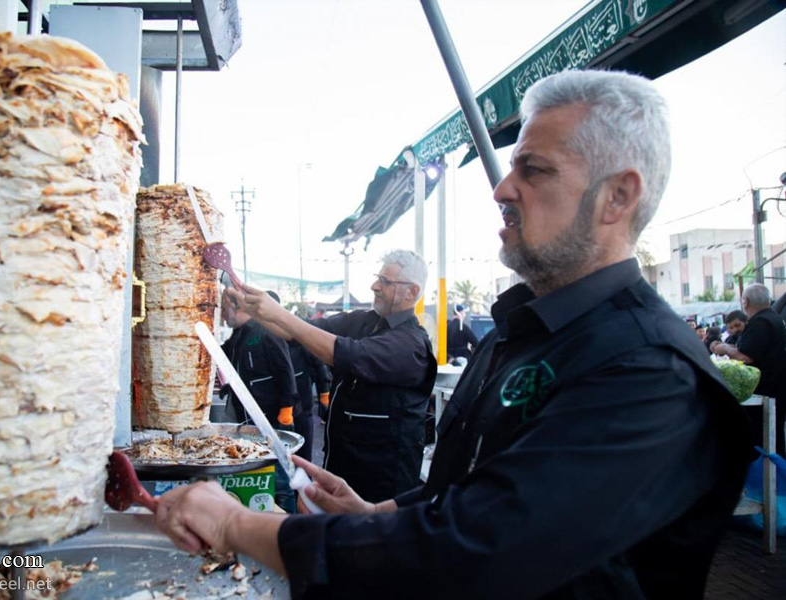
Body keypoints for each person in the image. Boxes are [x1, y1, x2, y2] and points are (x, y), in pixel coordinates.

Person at [155, 70, 751, 598]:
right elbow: (471, 485)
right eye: (511, 165)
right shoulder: (521, 330)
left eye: (533, 170)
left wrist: (238, 526)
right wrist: (378, 511)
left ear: (617, 197)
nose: (501, 190)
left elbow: (477, 552)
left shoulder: (648, 371)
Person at [227, 249, 436, 502]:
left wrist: (277, 312)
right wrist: (257, 312)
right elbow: (299, 333)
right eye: (377, 278)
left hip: (382, 481)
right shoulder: (364, 322)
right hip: (342, 467)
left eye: (385, 281)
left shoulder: (410, 345)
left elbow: (346, 354)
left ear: (411, 292)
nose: (374, 286)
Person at [220, 291, 299, 512]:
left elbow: (285, 369)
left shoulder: (266, 332)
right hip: (250, 421)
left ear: (238, 308)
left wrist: (286, 411)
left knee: (280, 479)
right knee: (264, 473)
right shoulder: (237, 336)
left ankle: (292, 523)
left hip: (271, 419)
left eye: (225, 309)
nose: (223, 316)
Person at [712, 283, 786, 453]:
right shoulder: (774, 318)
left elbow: (745, 356)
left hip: (766, 393)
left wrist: (725, 348)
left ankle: (767, 478)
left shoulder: (761, 322)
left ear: (744, 302)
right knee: (774, 441)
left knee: (763, 443)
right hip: (777, 391)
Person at [265, 291, 332, 462]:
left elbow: (318, 365)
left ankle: (304, 488)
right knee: (278, 459)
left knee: (302, 458)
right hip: (275, 410)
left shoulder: (295, 333)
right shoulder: (261, 336)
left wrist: (324, 396)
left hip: (302, 408)